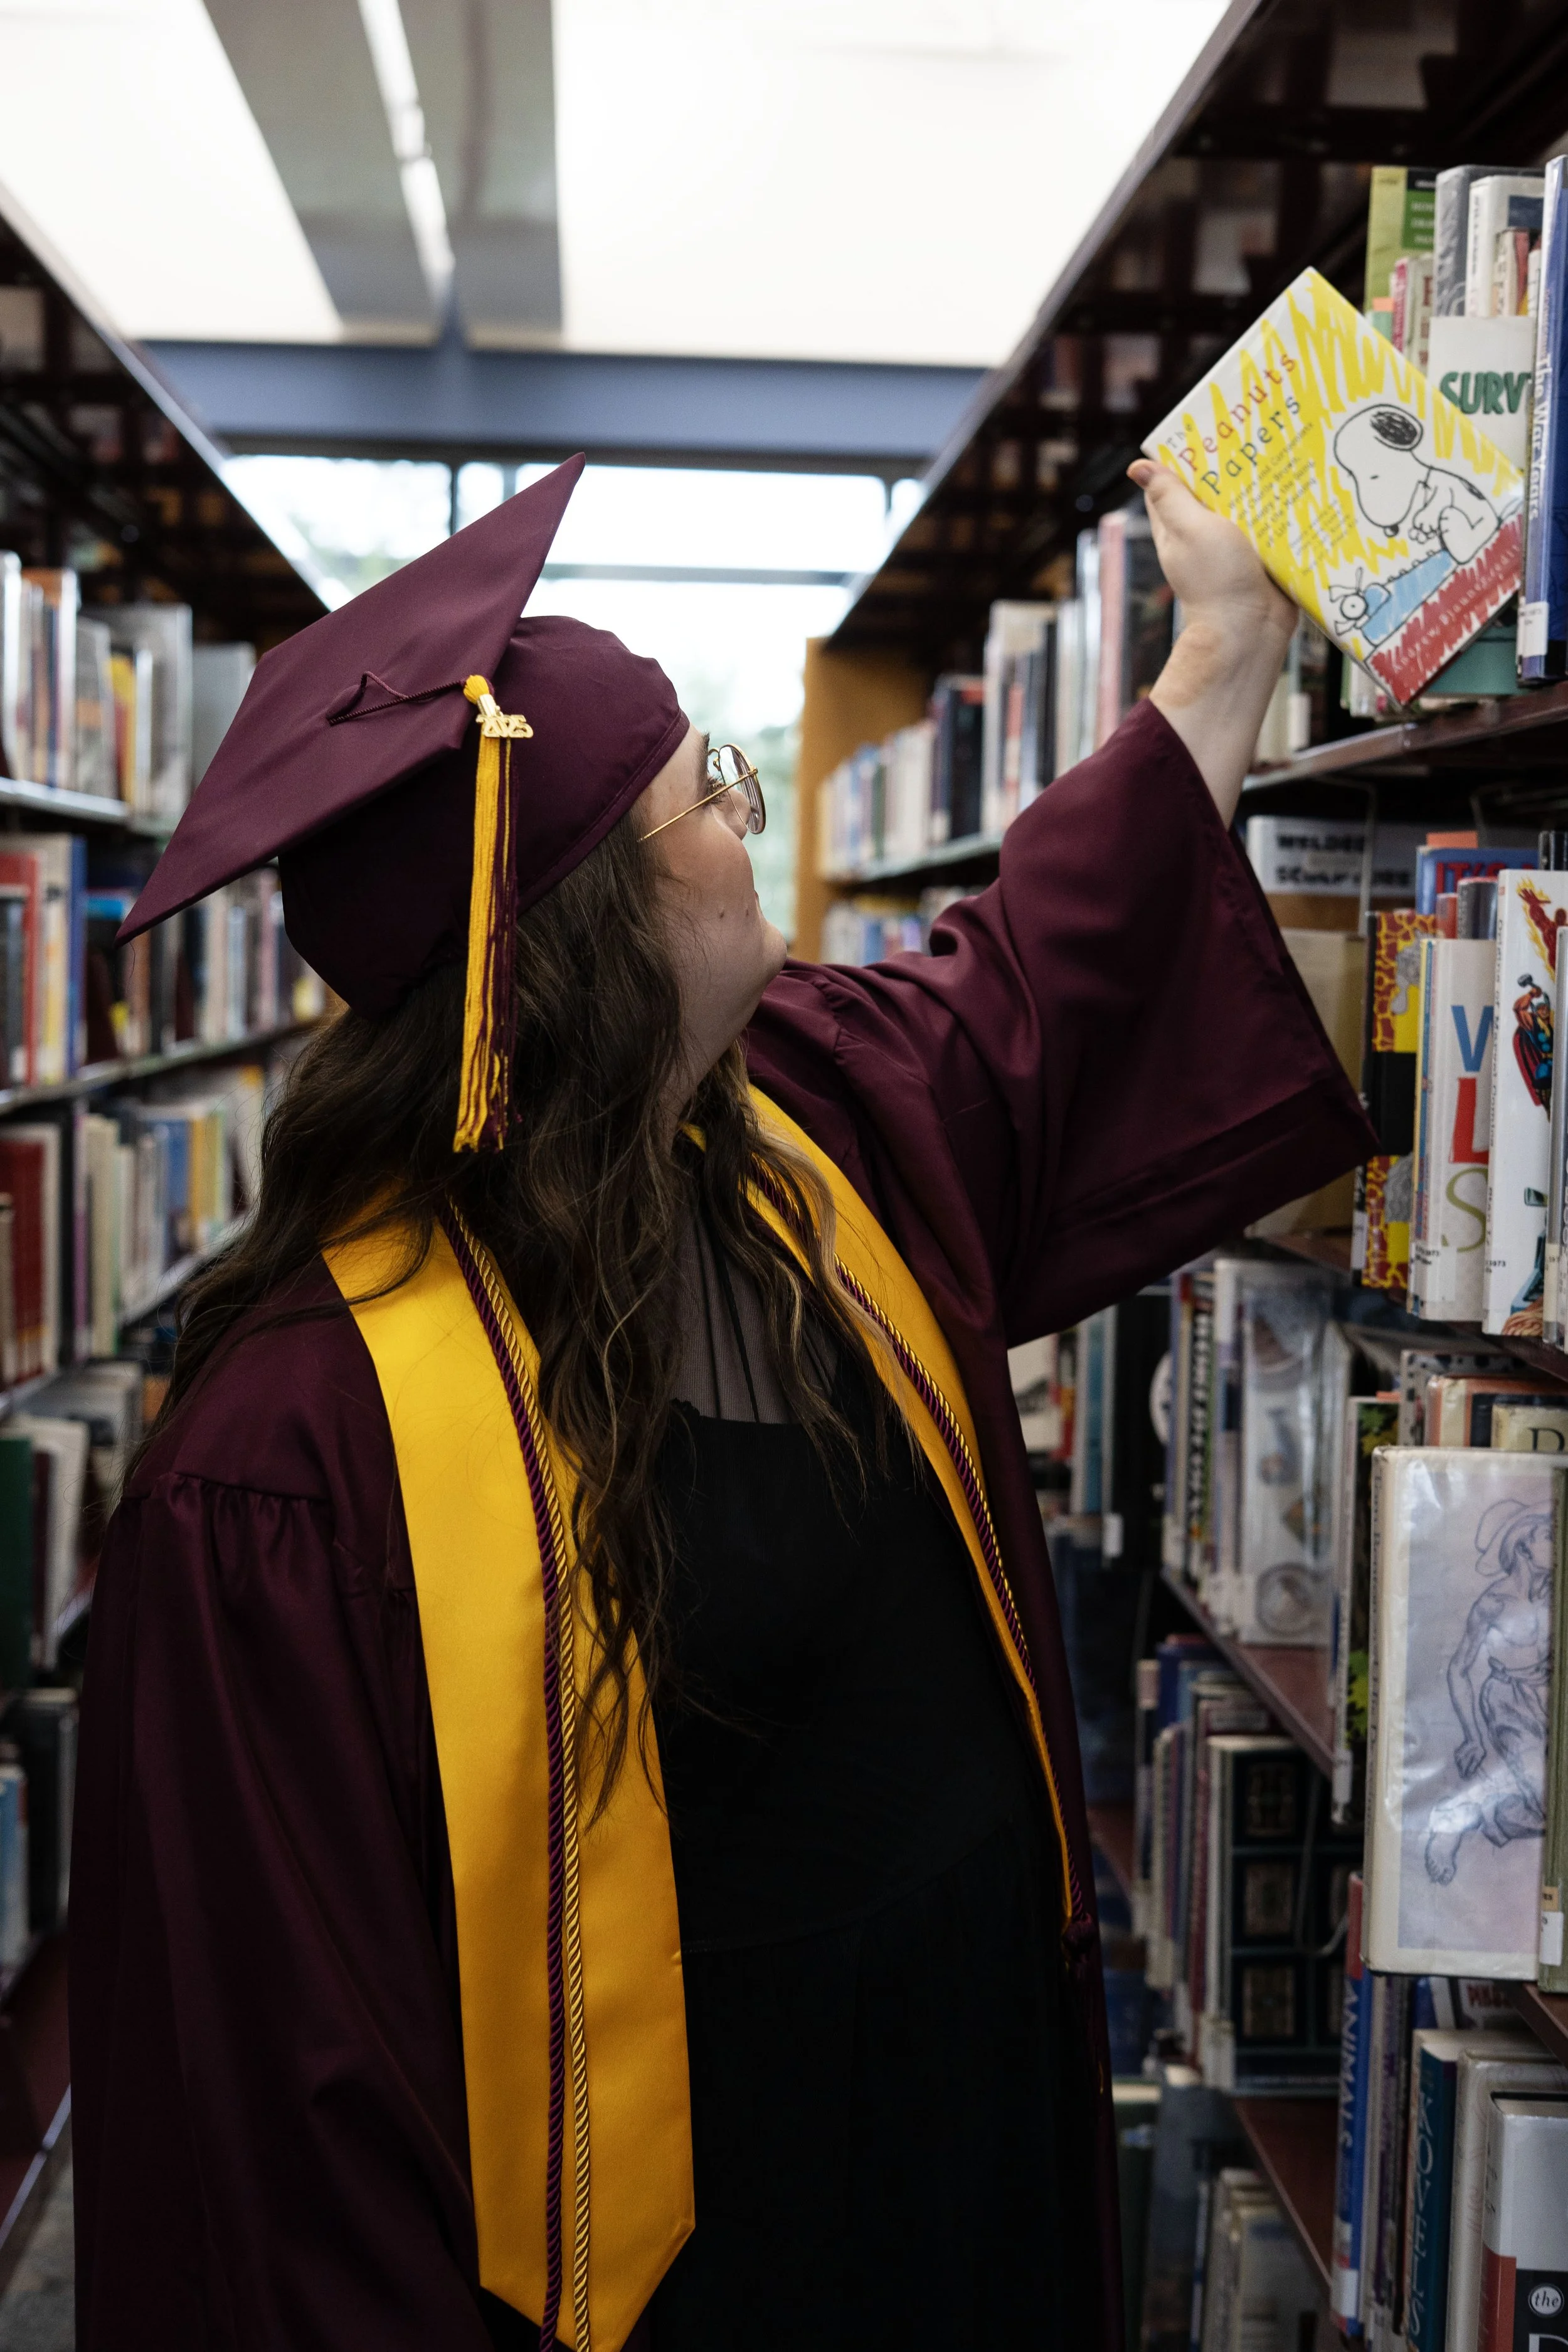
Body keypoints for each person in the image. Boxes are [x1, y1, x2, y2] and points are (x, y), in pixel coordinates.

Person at [70, 450, 1372, 2352]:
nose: (750, 816)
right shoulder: (292, 1457)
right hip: (683, 2268)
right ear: (593, 919)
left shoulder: (795, 1128)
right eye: (714, 787)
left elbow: (1019, 987)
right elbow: (283, 2113)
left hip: (955, 2165)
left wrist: (1229, 642)